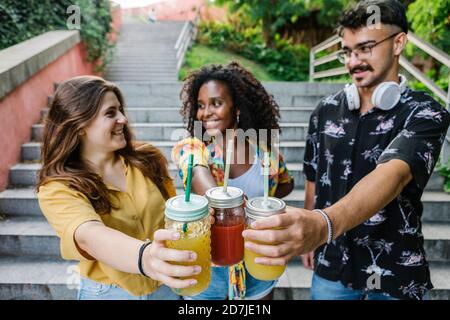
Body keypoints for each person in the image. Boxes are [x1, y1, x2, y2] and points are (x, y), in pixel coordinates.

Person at [241, 0, 450, 300]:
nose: (354, 61)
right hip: (332, 266)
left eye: (365, 48)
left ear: (398, 43)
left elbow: (392, 174)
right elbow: (314, 177)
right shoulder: (324, 111)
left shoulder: (425, 112)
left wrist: (321, 225)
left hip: (395, 273)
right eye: (347, 52)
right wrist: (314, 234)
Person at [37, 75, 201, 300]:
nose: (123, 119)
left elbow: (173, 215)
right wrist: (146, 258)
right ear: (80, 125)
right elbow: (89, 235)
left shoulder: (147, 157)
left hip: (166, 289)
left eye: (120, 110)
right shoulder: (57, 188)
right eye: (110, 113)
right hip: (108, 294)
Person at [171, 62, 294, 300]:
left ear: (236, 108)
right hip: (209, 269)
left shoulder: (264, 152)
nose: (205, 113)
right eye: (200, 105)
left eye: (216, 103)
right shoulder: (194, 148)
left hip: (258, 263)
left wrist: (261, 211)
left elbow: (285, 184)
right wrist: (231, 206)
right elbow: (195, 171)